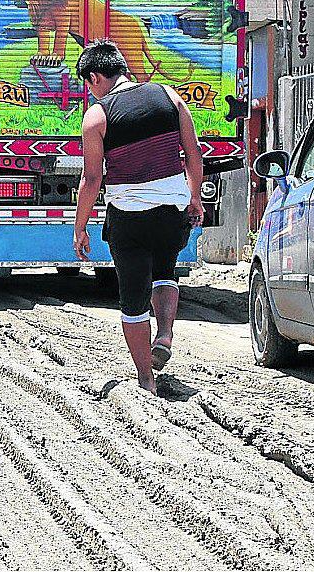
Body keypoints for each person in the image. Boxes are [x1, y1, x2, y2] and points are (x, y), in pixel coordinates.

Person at [73, 40, 204, 395]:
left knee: (133, 298)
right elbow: (193, 153)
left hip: (129, 218)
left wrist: (80, 226)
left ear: (96, 77)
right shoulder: (169, 96)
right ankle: (165, 334)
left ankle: (146, 379)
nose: (90, 91)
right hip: (172, 211)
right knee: (165, 271)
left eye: (88, 84)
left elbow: (92, 178)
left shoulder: (97, 116)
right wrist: (194, 197)